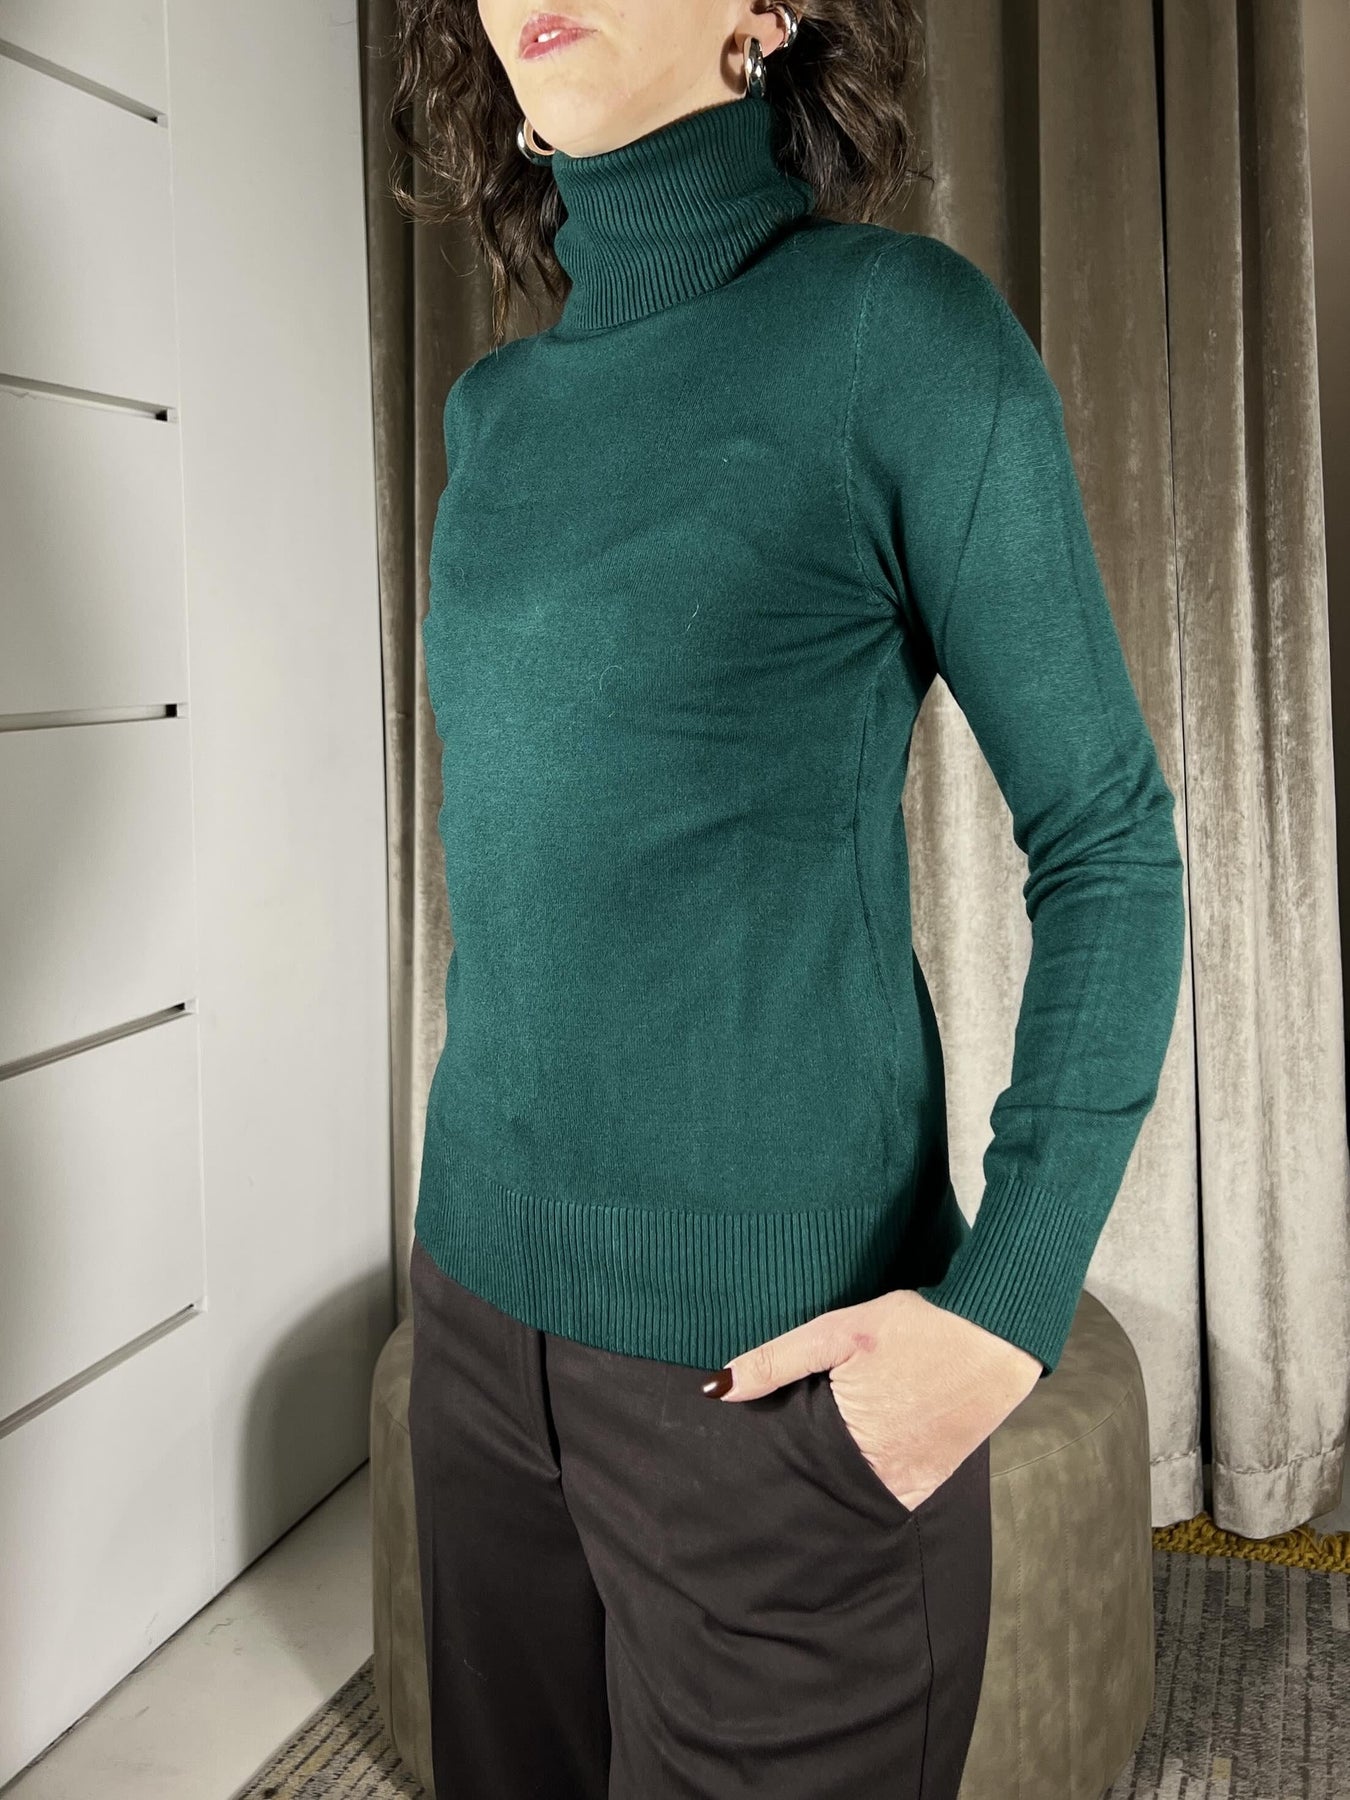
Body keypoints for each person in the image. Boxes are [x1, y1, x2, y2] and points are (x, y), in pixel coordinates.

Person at [389, 3, 1187, 1796]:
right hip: (473, 1325)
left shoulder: (895, 337)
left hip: (769, 1377)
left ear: (768, 7)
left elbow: (1110, 845)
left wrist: (1000, 1311)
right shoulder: (492, 411)